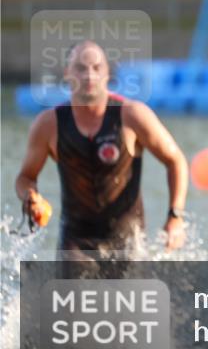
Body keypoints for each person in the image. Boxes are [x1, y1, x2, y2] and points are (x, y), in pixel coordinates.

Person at [14, 41, 188, 260]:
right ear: (67, 73)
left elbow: (176, 160)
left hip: (128, 241)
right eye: (80, 68)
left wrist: (175, 216)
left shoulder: (132, 115)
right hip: (75, 243)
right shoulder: (49, 124)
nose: (89, 75)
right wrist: (30, 197)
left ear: (108, 74)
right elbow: (25, 177)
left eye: (97, 68)